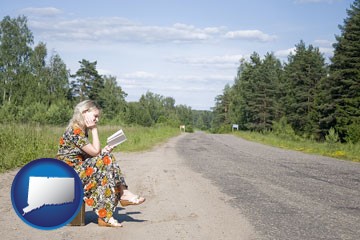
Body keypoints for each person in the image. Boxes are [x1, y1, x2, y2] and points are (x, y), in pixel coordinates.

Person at [56, 100, 145, 227]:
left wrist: (104, 151)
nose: (97, 120)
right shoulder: (75, 131)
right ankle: (122, 194)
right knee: (106, 160)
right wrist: (94, 129)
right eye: (95, 116)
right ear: (84, 113)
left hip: (76, 169)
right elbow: (94, 152)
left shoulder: (80, 130)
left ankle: (106, 216)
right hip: (69, 173)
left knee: (106, 161)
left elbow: (91, 154)